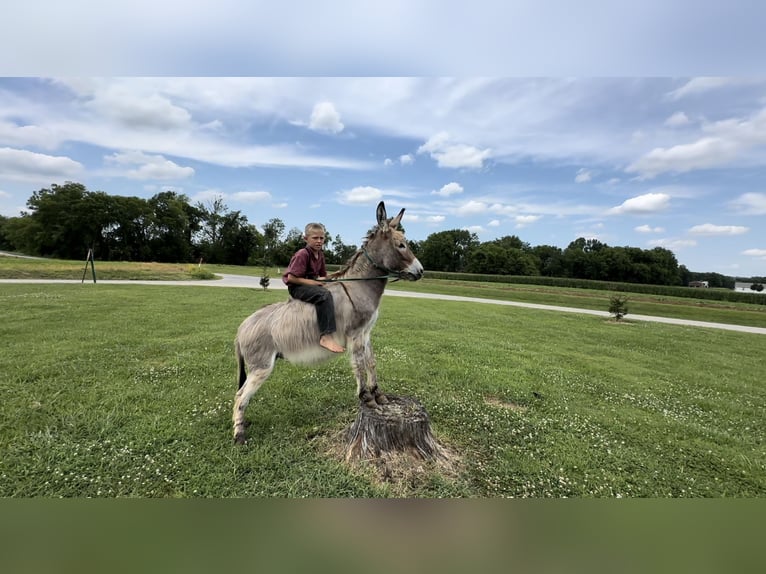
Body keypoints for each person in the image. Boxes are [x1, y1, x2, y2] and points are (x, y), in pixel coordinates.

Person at [282, 223, 345, 353]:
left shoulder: (320, 255)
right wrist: (315, 282)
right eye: (315, 238)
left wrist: (333, 278)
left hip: (310, 284)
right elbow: (291, 278)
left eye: (321, 238)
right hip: (297, 287)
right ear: (306, 239)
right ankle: (326, 337)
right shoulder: (302, 254)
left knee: (334, 290)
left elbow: (322, 276)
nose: (319, 241)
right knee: (324, 295)